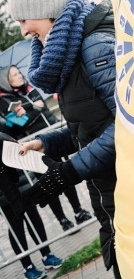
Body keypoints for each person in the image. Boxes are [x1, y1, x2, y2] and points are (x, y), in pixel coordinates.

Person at [8, 0, 124, 279]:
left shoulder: (94, 47)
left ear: (47, 13)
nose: (23, 30)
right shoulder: (70, 53)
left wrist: (70, 170)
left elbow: (131, 125)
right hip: (111, 191)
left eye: (24, 19)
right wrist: (48, 142)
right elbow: (91, 124)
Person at [0, 65, 94, 231]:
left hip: (54, 140)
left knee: (64, 175)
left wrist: (29, 110)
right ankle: (62, 220)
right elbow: (18, 123)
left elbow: (38, 106)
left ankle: (78, 210)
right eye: (14, 75)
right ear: (6, 81)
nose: (19, 76)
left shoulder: (31, 90)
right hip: (34, 147)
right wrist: (34, 108)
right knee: (47, 184)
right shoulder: (5, 100)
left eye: (19, 73)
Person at [0, 132, 63, 279]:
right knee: (16, 228)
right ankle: (27, 266)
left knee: (34, 219)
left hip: (22, 185)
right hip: (4, 194)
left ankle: (47, 254)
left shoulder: (2, 134)